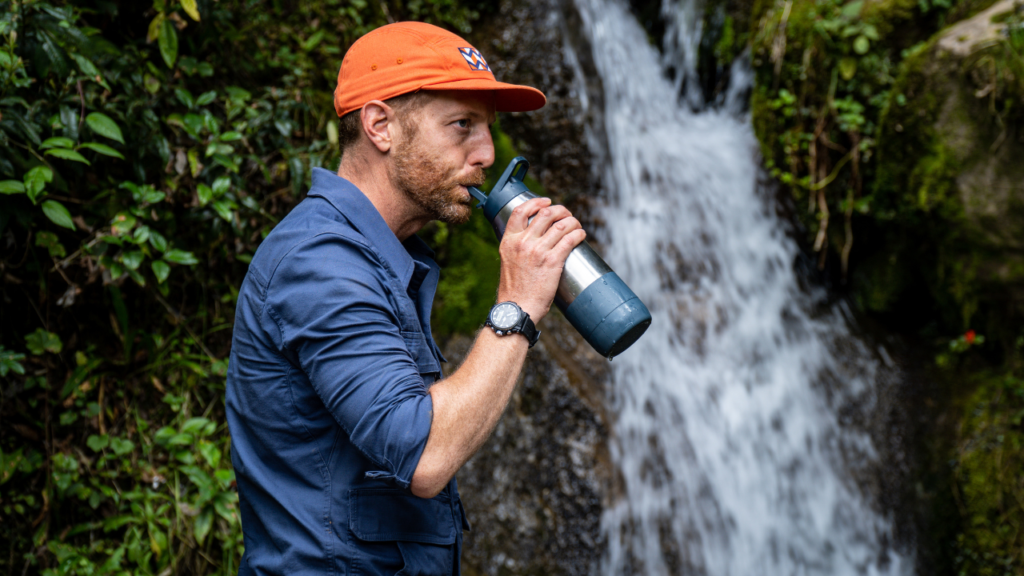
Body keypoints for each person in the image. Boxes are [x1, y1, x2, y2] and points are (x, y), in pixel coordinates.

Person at [225, 21, 586, 576]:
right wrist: (517, 304)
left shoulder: (383, 257)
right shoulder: (318, 262)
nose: (487, 152)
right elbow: (424, 455)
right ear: (380, 126)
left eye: (487, 128)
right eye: (462, 125)